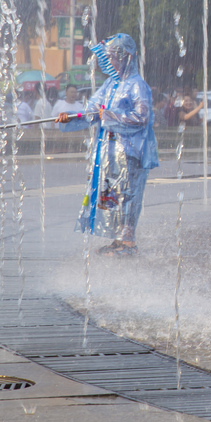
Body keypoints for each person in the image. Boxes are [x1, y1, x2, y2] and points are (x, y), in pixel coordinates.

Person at [58, 34, 159, 257]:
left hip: (131, 152)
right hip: (109, 151)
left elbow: (142, 117)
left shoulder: (137, 86)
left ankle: (129, 241)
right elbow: (92, 112)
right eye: (109, 57)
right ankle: (117, 238)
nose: (110, 62)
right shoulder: (110, 84)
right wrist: (71, 118)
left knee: (129, 194)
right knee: (111, 193)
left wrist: (111, 115)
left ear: (126, 57)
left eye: (114, 57)